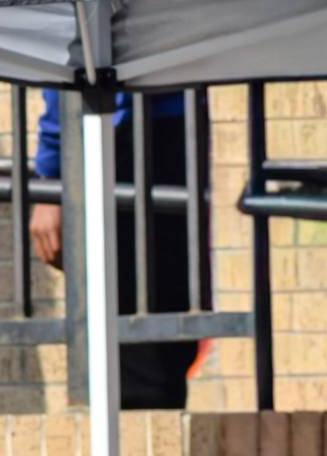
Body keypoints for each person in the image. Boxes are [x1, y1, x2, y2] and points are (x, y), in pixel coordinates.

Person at [29, 90, 211, 410]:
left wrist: (52, 172)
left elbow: (73, 60)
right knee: (151, 350)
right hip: (170, 120)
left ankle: (138, 445)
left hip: (127, 125)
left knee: (136, 353)